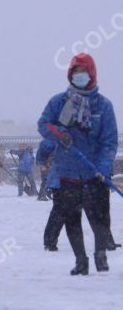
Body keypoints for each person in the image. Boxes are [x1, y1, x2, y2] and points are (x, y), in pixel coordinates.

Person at [38, 53, 118, 275]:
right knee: (72, 218)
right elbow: (44, 124)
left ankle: (100, 254)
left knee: (100, 218)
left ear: (91, 74)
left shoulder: (103, 106)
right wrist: (60, 133)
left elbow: (109, 141)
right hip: (68, 172)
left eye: (83, 73)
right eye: (75, 73)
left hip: (95, 174)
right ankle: (80, 260)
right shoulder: (58, 102)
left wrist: (103, 168)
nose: (79, 77)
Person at [38, 138, 62, 251]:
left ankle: (49, 240)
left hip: (69, 179)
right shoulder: (54, 139)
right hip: (60, 180)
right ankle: (49, 240)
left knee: (60, 211)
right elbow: (41, 156)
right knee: (59, 211)